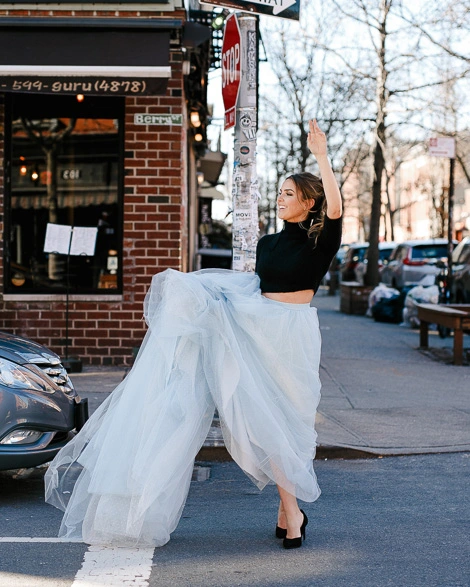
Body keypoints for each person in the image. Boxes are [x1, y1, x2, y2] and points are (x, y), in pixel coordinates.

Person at [45, 119, 342, 550]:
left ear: (309, 203)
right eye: (278, 191)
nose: (280, 198)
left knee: (290, 424)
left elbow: (336, 209)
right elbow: (252, 291)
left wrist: (322, 156)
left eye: (289, 194)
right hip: (255, 333)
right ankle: (292, 513)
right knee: (267, 423)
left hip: (291, 339)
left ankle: (287, 508)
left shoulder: (321, 241)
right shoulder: (267, 245)